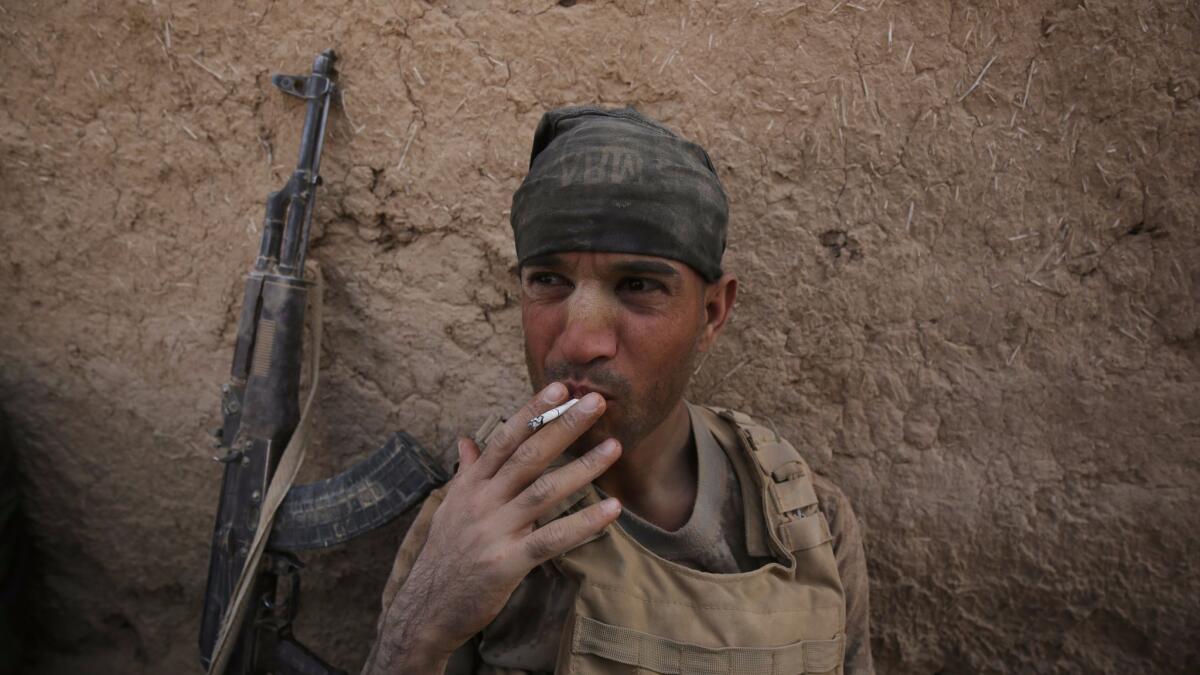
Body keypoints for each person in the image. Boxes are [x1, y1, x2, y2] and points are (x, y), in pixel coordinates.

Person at [362, 106, 874, 675]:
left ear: (711, 312)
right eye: (549, 281)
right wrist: (422, 625)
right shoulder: (470, 521)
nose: (581, 341)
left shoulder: (810, 523)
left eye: (638, 286)